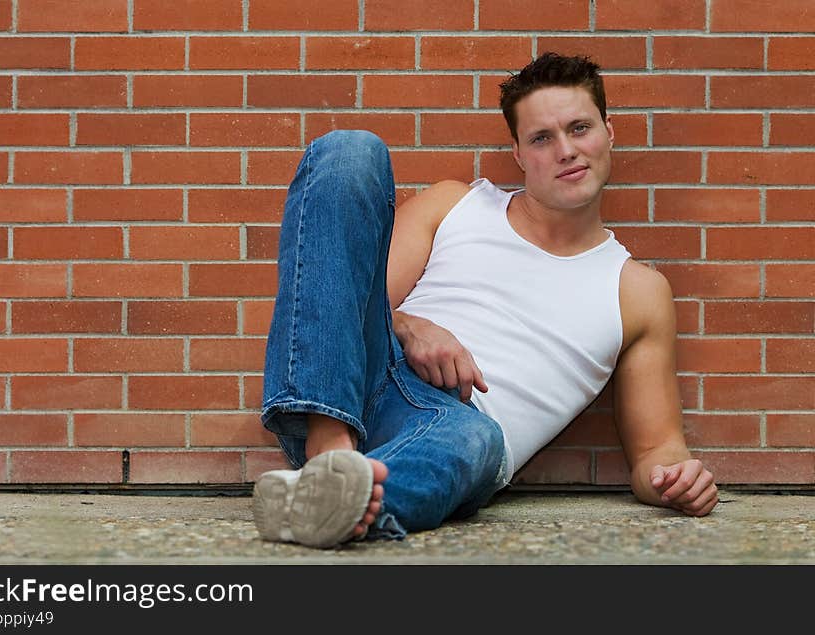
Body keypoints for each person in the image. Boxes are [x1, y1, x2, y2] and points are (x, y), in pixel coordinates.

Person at [252, 52, 718, 549]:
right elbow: (346, 300)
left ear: (609, 132)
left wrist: (678, 481)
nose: (566, 150)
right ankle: (328, 450)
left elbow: (656, 450)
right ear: (518, 153)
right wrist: (410, 327)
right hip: (359, 387)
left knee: (475, 439)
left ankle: (333, 500)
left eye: (580, 128)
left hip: (455, 428)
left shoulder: (638, 291)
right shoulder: (456, 205)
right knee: (349, 151)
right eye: (542, 138)